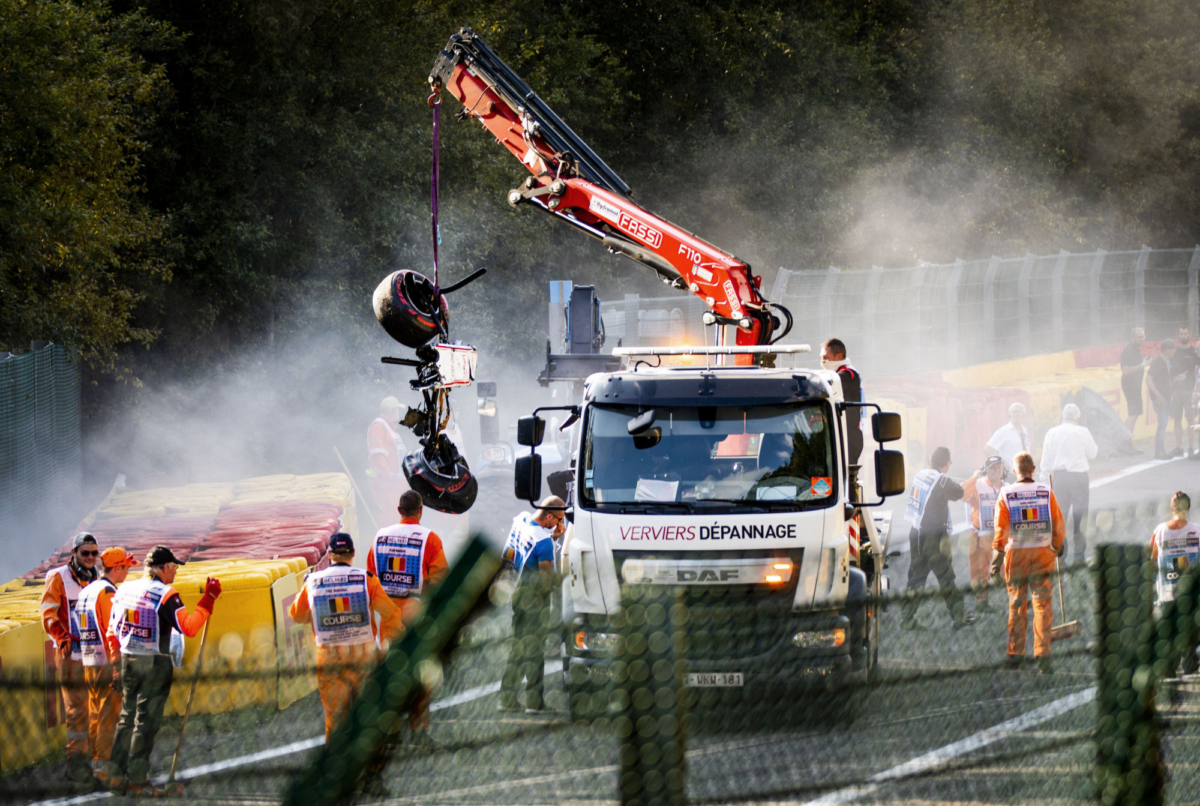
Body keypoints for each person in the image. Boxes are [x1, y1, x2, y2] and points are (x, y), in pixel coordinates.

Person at [105, 546, 221, 796]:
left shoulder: (124, 588)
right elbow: (189, 627)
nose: (176, 573)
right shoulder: (166, 594)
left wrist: (116, 662)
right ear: (164, 568)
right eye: (174, 567)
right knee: (144, 723)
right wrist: (208, 599)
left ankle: (114, 775)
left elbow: (111, 630)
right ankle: (137, 781)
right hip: (154, 663)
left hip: (127, 658)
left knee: (126, 717)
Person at [289, 533, 404, 744]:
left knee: (335, 720)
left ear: (330, 555)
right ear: (352, 554)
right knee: (369, 713)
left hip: (329, 657)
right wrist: (390, 643)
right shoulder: (367, 579)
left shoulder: (313, 582)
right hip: (364, 655)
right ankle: (372, 765)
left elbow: (297, 615)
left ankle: (336, 769)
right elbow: (391, 613)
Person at [367, 491, 448, 738]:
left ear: (399, 509)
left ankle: (391, 732)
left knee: (390, 678)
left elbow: (370, 581)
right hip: (417, 620)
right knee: (421, 677)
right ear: (420, 510)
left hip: (388, 621)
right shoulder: (430, 539)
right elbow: (439, 580)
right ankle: (418, 731)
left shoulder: (379, 537)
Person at [991, 451, 1066, 675]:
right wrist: (1057, 546)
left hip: (1017, 555)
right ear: (1033, 470)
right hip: (1043, 553)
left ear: (1014, 471)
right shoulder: (1046, 491)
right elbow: (1058, 526)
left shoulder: (1006, 493)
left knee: (1016, 604)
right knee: (1042, 605)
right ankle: (1043, 655)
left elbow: (1000, 532)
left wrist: (996, 562)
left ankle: (1015, 655)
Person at [76, 547, 138, 786]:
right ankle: (103, 767)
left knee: (95, 713)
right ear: (118, 568)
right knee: (109, 717)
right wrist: (117, 666)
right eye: (127, 566)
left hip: (89, 660)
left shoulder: (88, 590)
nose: (128, 571)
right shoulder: (108, 593)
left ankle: (96, 763)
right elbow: (113, 631)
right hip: (106, 663)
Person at [40, 531, 99, 783]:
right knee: (76, 711)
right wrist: (60, 635)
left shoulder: (98, 577)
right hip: (69, 654)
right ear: (73, 553)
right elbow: (47, 612)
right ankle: (76, 763)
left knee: (97, 706)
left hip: (95, 654)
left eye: (94, 553)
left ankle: (98, 758)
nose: (90, 557)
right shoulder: (58, 577)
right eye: (85, 553)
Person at [499, 496, 566, 713]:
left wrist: (552, 537)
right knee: (533, 649)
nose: (559, 525)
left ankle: (512, 700)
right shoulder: (543, 542)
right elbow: (546, 579)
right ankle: (532, 702)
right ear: (549, 516)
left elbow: (509, 554)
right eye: (558, 520)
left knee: (523, 648)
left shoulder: (521, 520)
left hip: (518, 594)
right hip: (535, 601)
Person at [901, 448, 975, 630]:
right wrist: (975, 478)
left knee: (916, 578)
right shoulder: (942, 481)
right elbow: (959, 492)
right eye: (950, 462)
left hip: (916, 532)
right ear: (946, 463)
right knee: (946, 577)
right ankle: (959, 617)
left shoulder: (921, 474)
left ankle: (907, 619)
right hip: (934, 537)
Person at [1040, 403, 1098, 563]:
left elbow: (1045, 461)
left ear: (1062, 417)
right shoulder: (1082, 431)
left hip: (1059, 478)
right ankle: (1079, 555)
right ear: (1077, 418)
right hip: (1079, 477)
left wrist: (1044, 480)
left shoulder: (1052, 432)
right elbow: (1092, 454)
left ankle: (1061, 554)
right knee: (1080, 516)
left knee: (1060, 517)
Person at [1150, 492, 1200, 675]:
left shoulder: (1160, 531)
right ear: (1188, 508)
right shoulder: (1197, 530)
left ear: (1172, 509)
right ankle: (1189, 660)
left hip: (1167, 591)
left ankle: (1169, 665)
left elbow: (1153, 557)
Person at [960, 456, 1006, 612]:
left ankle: (1017, 597)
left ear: (1003, 470)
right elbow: (962, 494)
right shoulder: (978, 485)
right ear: (986, 470)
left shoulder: (1008, 487)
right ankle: (981, 601)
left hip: (1002, 533)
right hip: (981, 534)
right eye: (992, 468)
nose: (995, 471)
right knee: (980, 567)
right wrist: (974, 477)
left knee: (1012, 564)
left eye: (998, 468)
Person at [367, 396, 409, 526]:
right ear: (391, 410)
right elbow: (378, 456)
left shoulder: (390, 428)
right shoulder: (379, 426)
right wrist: (390, 475)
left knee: (398, 517)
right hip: (388, 484)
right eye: (397, 409)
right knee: (390, 518)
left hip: (397, 483)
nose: (398, 412)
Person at [821, 338, 863, 464]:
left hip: (848, 437)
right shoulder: (839, 373)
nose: (822, 362)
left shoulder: (849, 374)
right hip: (840, 434)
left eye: (825, 357)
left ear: (839, 356)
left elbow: (830, 384)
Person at [1170, 326, 1198, 458]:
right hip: (1176, 391)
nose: (1182, 336)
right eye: (1180, 334)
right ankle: (1179, 446)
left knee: (1191, 420)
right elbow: (1169, 370)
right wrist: (1175, 379)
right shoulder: (1174, 352)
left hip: (1190, 390)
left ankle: (1191, 448)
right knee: (1177, 418)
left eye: (1185, 334)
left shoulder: (1194, 351)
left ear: (1189, 335)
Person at [1147, 341, 1174, 459]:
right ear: (1167, 349)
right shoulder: (1157, 362)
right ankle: (1159, 451)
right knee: (1162, 424)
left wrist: (1177, 379)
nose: (1174, 351)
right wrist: (1158, 395)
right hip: (1160, 398)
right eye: (1173, 349)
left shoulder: (1168, 362)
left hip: (1167, 397)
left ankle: (1160, 449)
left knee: (1164, 423)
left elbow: (1165, 379)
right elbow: (1148, 379)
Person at [985, 402, 1031, 471]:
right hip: (1010, 474)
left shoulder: (1024, 430)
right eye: (1013, 412)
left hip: (1024, 472)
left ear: (1023, 415)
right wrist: (1002, 461)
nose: (1015, 414)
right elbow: (988, 449)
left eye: (1018, 412)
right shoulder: (1003, 431)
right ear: (1009, 415)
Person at [1120, 327, 1147, 433]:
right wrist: (1142, 365)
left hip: (1135, 386)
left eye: (1143, 337)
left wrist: (1143, 363)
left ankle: (1127, 441)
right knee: (1133, 414)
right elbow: (1125, 370)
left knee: (1134, 414)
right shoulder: (1128, 350)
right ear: (1132, 337)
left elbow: (1135, 365)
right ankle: (1126, 441)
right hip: (1130, 386)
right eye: (1139, 337)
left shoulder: (1137, 349)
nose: (1142, 339)